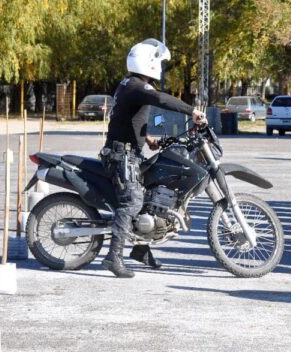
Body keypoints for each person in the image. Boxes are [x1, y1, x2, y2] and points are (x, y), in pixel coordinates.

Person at [101, 38, 207, 278]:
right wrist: (192, 111)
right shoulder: (138, 86)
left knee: (150, 194)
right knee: (132, 202)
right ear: (148, 62)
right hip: (121, 156)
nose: (160, 66)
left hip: (129, 152)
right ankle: (113, 257)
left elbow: (127, 119)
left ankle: (140, 248)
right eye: (158, 61)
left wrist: (147, 138)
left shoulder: (130, 84)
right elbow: (161, 99)